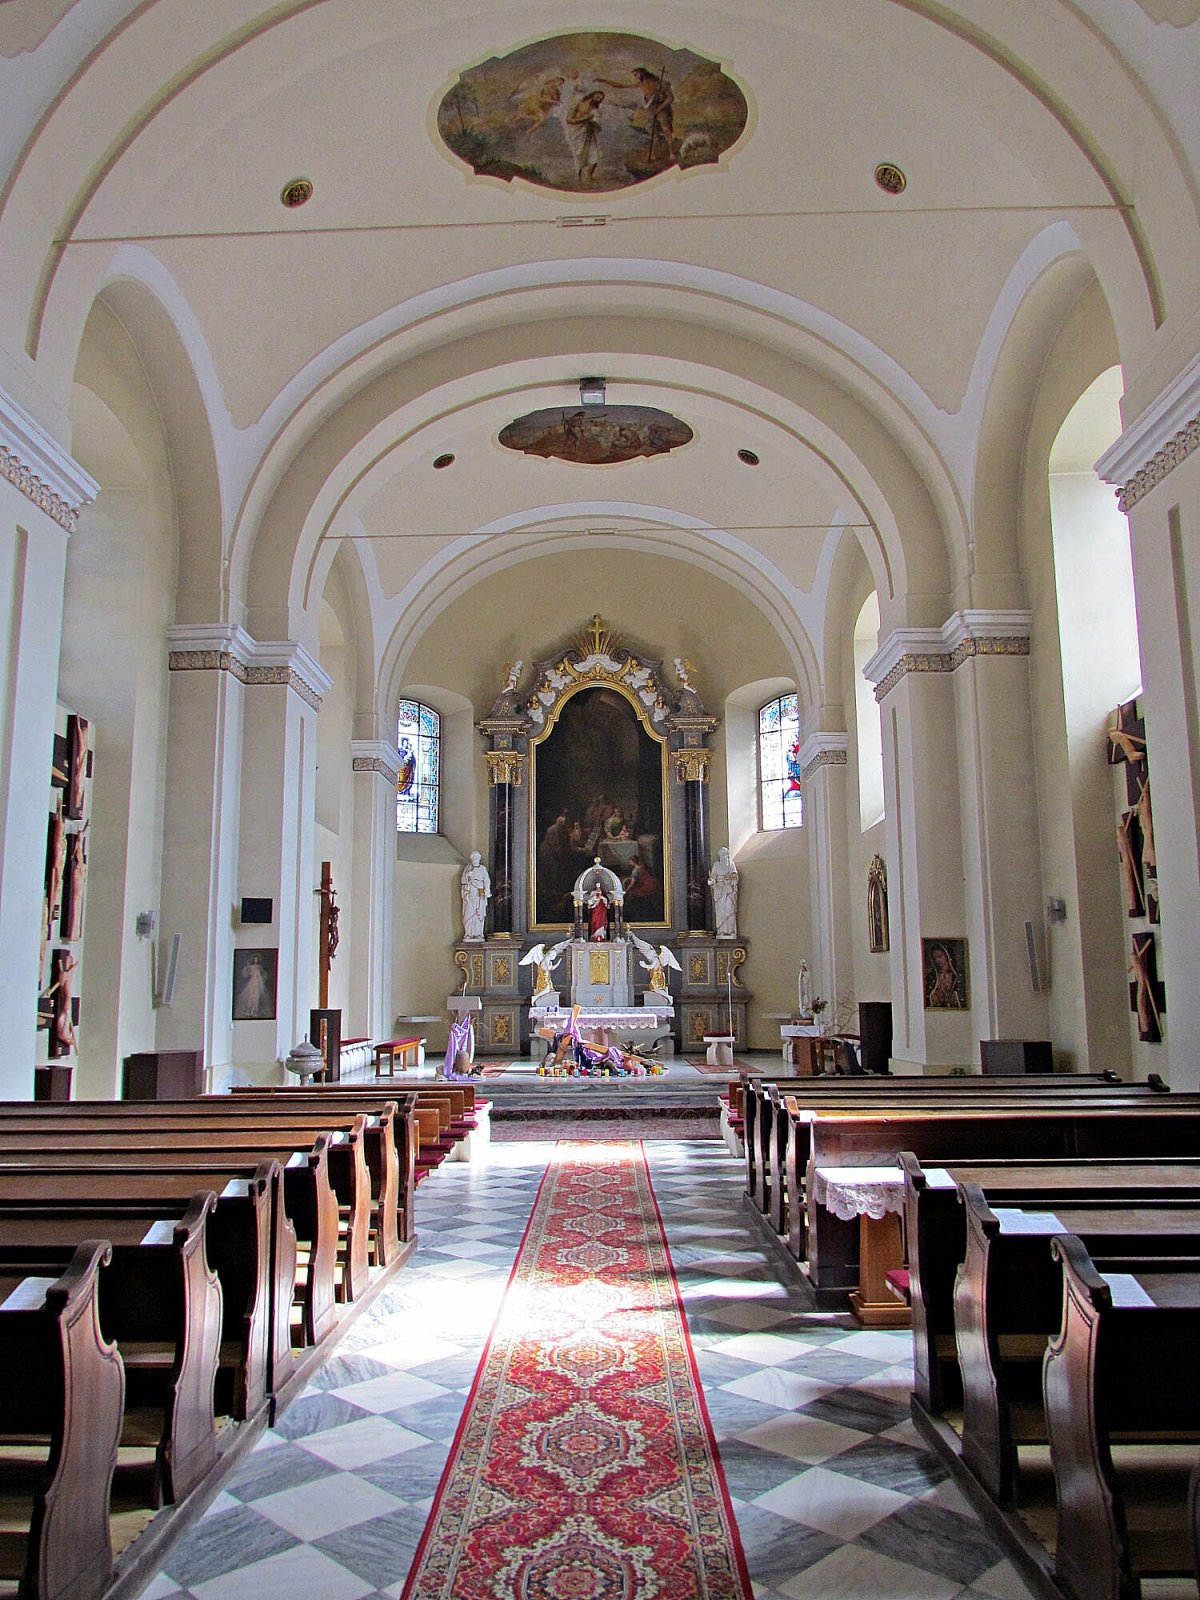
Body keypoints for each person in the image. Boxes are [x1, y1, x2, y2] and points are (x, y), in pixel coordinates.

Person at [708, 846, 739, 939]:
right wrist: (711, 881)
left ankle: (730, 931)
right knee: (720, 911)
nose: (724, 856)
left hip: (728, 890)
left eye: (725, 854)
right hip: (719, 890)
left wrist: (730, 879)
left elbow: (735, 876)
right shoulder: (716, 865)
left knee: (729, 909)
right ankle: (721, 931)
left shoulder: (731, 864)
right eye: (722, 854)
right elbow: (713, 877)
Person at [461, 851, 491, 941]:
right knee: (469, 912)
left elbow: (487, 881)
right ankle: (468, 933)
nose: (475, 860)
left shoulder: (483, 869)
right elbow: (463, 881)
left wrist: (487, 890)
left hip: (479, 893)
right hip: (470, 893)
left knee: (479, 914)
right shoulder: (468, 868)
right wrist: (468, 877)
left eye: (476, 858)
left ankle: (478, 933)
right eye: (474, 858)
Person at [924, 942, 964, 1008]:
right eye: (934, 958)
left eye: (939, 956)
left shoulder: (959, 974)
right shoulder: (931, 977)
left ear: (947, 955)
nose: (937, 960)